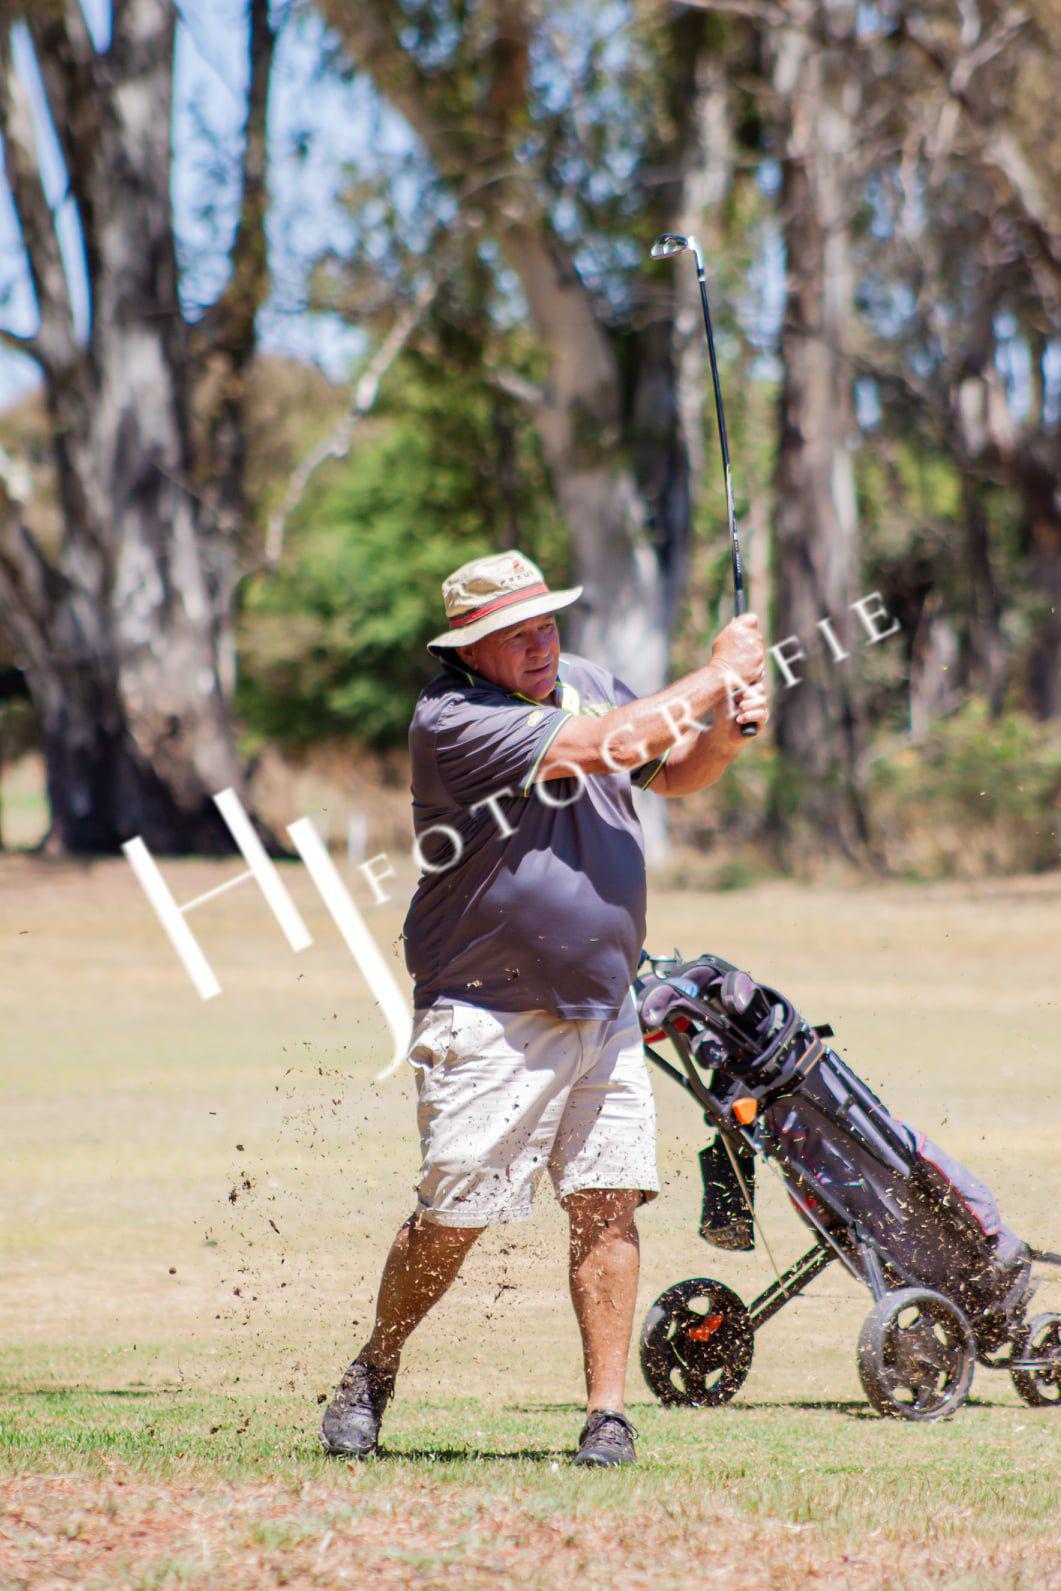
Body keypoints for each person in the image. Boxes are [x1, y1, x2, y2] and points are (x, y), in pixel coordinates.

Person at [320, 550, 767, 1466]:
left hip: (603, 1004)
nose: (538, 643)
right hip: (488, 1010)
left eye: (545, 623)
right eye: (513, 634)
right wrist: (718, 672)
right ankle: (375, 1366)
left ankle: (605, 1415)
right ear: (470, 649)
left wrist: (724, 730)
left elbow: (666, 768)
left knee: (606, 1204)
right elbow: (605, 745)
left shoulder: (588, 680)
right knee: (456, 1215)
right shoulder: (454, 718)